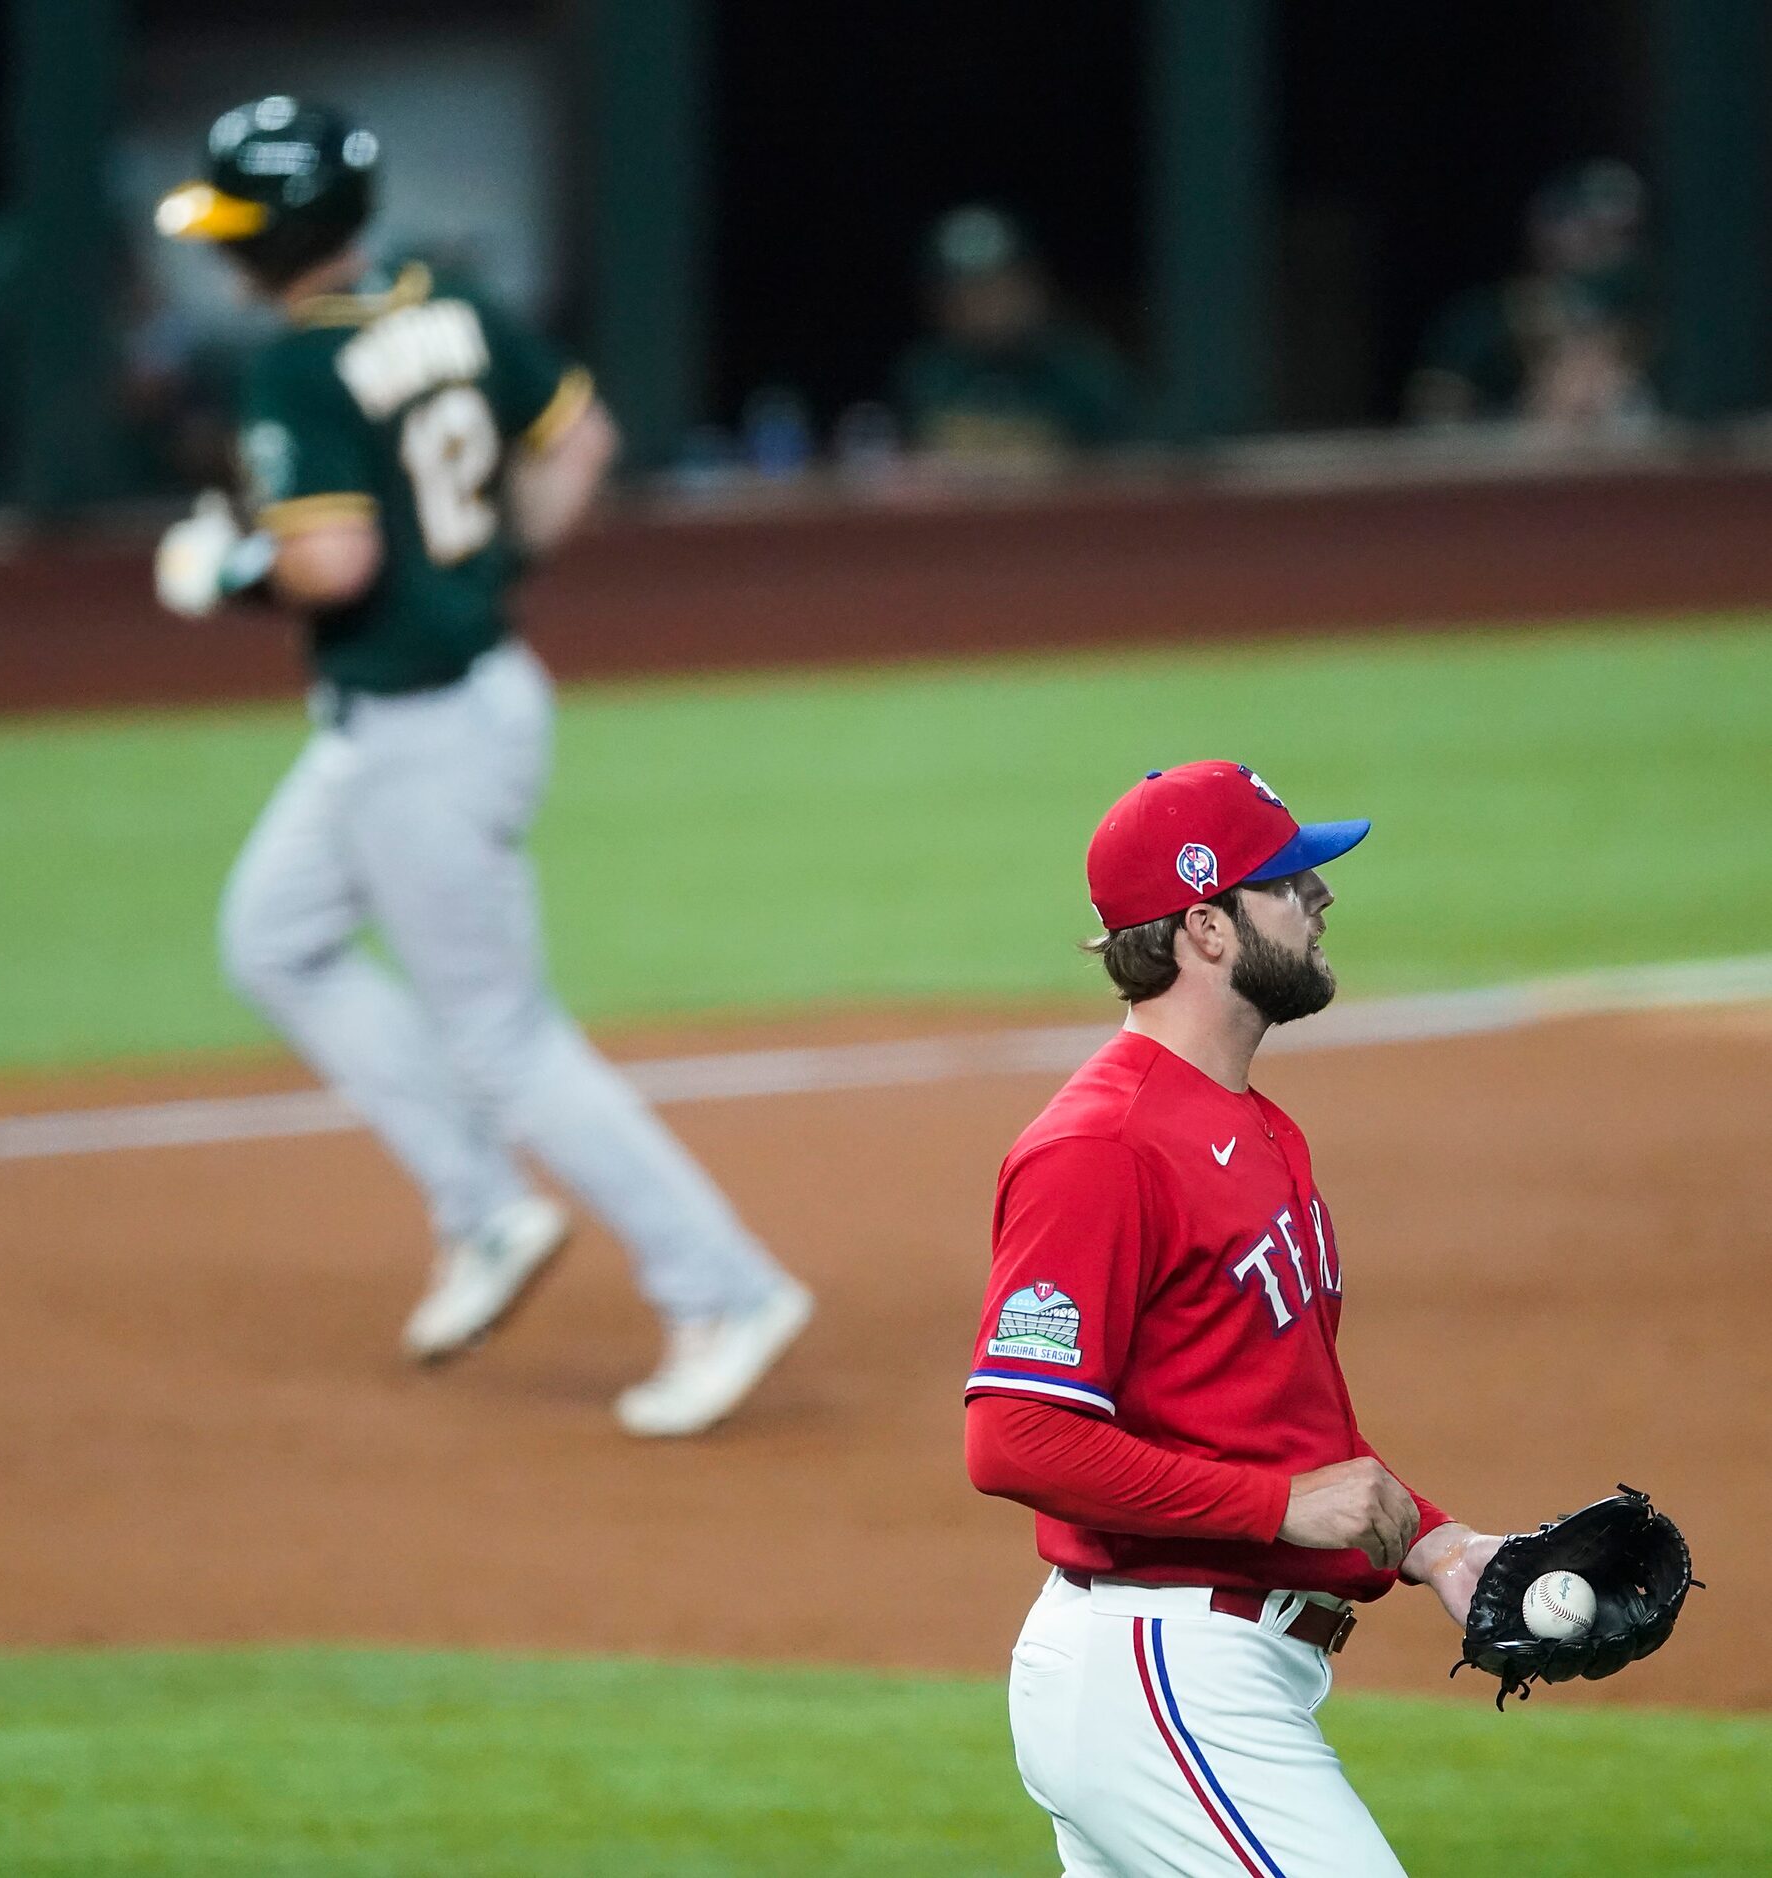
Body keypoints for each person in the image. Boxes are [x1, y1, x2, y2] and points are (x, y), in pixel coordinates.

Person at [152, 96, 811, 1438]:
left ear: (272, 236)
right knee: (272, 939)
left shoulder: (293, 365)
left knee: (506, 1036)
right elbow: (578, 445)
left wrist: (222, 568)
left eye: (231, 224)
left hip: (419, 737)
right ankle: (484, 1204)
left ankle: (722, 1287)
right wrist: (494, 567)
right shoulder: (439, 297)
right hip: (470, 697)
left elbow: (333, 560)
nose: (217, 248)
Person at [964, 760, 1508, 1876]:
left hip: (1207, 1668)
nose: (1321, 900)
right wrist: (1272, 1507)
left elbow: (1271, 1419)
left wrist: (1437, 1546)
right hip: (1158, 1671)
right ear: (1205, 928)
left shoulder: (1256, 1127)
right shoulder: (1099, 1147)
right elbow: (1014, 1437)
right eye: (1289, 882)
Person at [1406, 159, 1655, 433]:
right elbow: (1433, 425)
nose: (1610, 249)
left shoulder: (1655, 321)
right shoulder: (1484, 319)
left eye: (1623, 235)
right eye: (1593, 233)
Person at [892, 204, 1139, 470]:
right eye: (966, 294)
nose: (985, 306)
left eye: (998, 287)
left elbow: (1127, 469)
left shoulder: (1080, 369)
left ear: (1032, 286)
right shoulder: (928, 374)